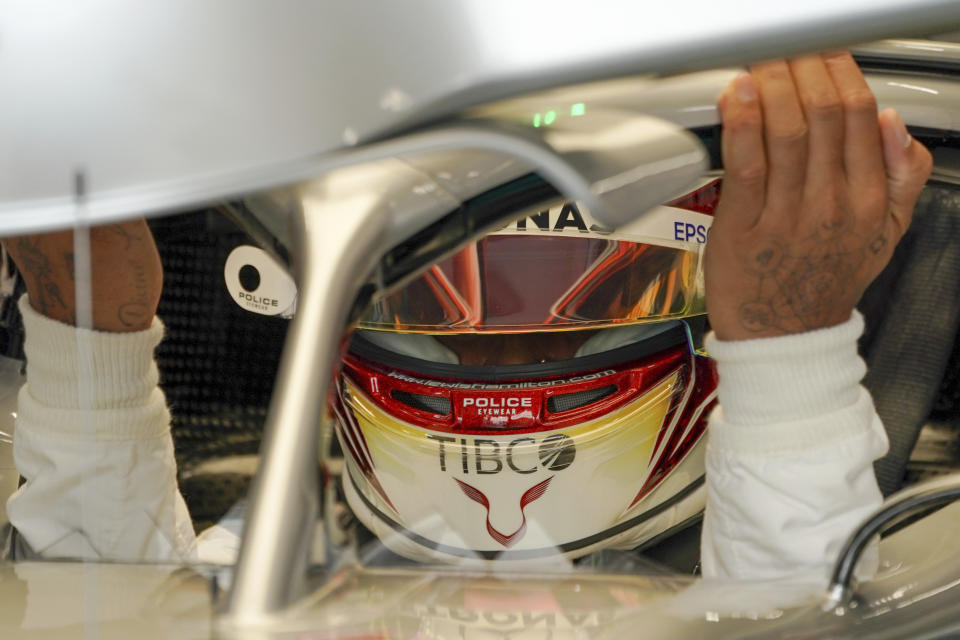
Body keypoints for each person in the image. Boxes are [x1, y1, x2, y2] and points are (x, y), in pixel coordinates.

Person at [0, 51, 934, 581]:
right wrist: (89, 330)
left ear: (724, 284)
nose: (502, 352)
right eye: (420, 294)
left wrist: (788, 353)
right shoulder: (284, 551)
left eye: (590, 299)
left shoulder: (937, 552)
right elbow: (87, 619)